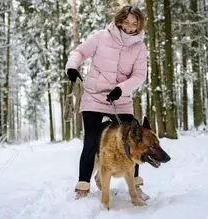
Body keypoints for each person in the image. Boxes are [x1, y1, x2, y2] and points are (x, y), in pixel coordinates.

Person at [65, 5, 149, 201]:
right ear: (119, 21)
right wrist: (71, 67)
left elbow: (139, 75)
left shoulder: (139, 46)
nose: (130, 26)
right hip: (94, 97)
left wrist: (122, 88)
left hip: (120, 99)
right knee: (92, 141)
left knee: (133, 140)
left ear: (139, 24)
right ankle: (82, 187)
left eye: (134, 22)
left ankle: (136, 187)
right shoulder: (101, 36)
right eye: (126, 21)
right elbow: (80, 52)